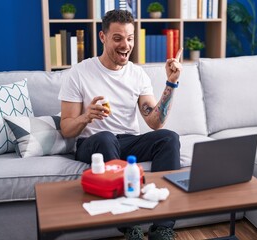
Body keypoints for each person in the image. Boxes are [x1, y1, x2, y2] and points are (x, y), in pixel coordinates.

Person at [58, 9, 182, 240]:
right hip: (92, 143)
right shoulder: (79, 73)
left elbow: (155, 122)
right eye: (118, 38)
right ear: (103, 37)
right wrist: (87, 116)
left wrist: (170, 84)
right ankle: (130, 226)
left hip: (126, 140)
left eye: (130, 38)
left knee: (169, 137)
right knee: (106, 137)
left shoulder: (138, 75)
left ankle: (163, 227)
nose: (125, 45)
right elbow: (66, 128)